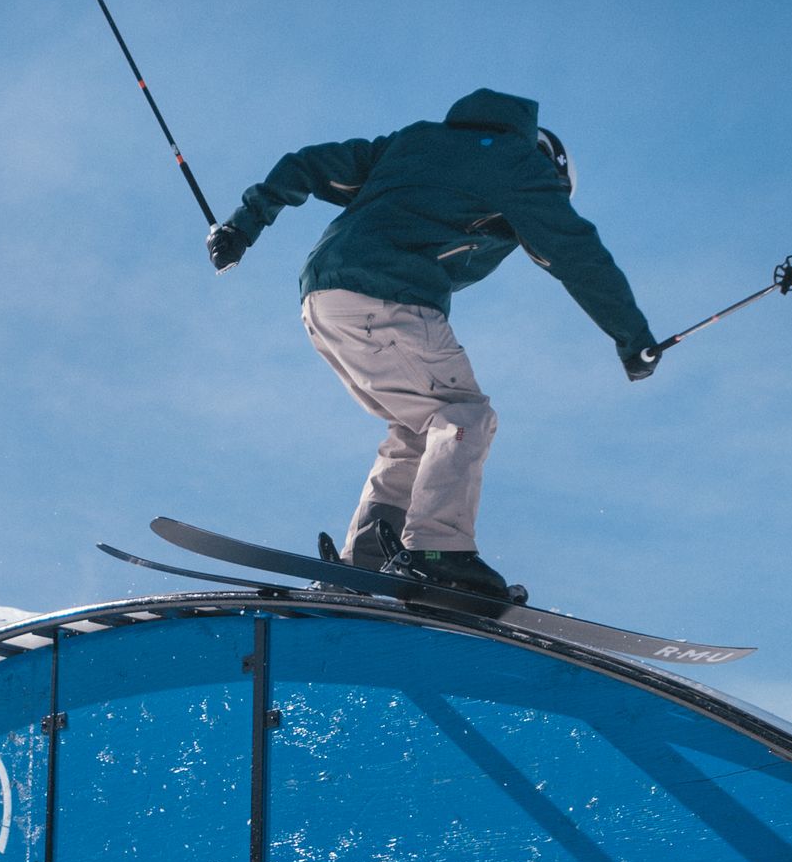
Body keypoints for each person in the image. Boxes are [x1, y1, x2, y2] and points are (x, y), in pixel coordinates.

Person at [207, 87, 658, 601]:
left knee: (419, 428)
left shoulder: (413, 142)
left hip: (322, 299)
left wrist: (242, 227)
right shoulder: (517, 165)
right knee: (463, 415)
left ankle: (373, 554)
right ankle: (437, 552)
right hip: (387, 297)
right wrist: (633, 338)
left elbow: (305, 165)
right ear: (551, 169)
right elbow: (577, 254)